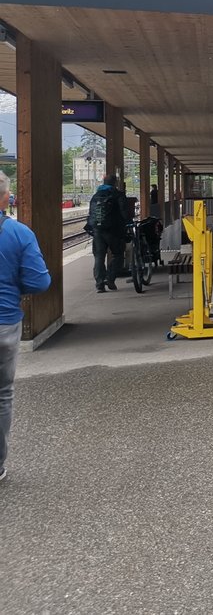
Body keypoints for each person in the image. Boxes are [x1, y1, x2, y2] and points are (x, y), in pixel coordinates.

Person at [0, 171, 51, 484]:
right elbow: (39, 281)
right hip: (4, 324)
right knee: (2, 393)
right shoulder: (18, 234)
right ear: (5, 196)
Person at [85, 174, 129, 293]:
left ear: (103, 182)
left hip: (98, 231)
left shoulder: (95, 196)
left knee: (99, 257)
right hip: (113, 230)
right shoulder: (118, 195)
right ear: (115, 183)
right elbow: (125, 212)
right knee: (118, 255)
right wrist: (128, 224)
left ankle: (99, 284)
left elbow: (91, 213)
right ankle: (110, 278)